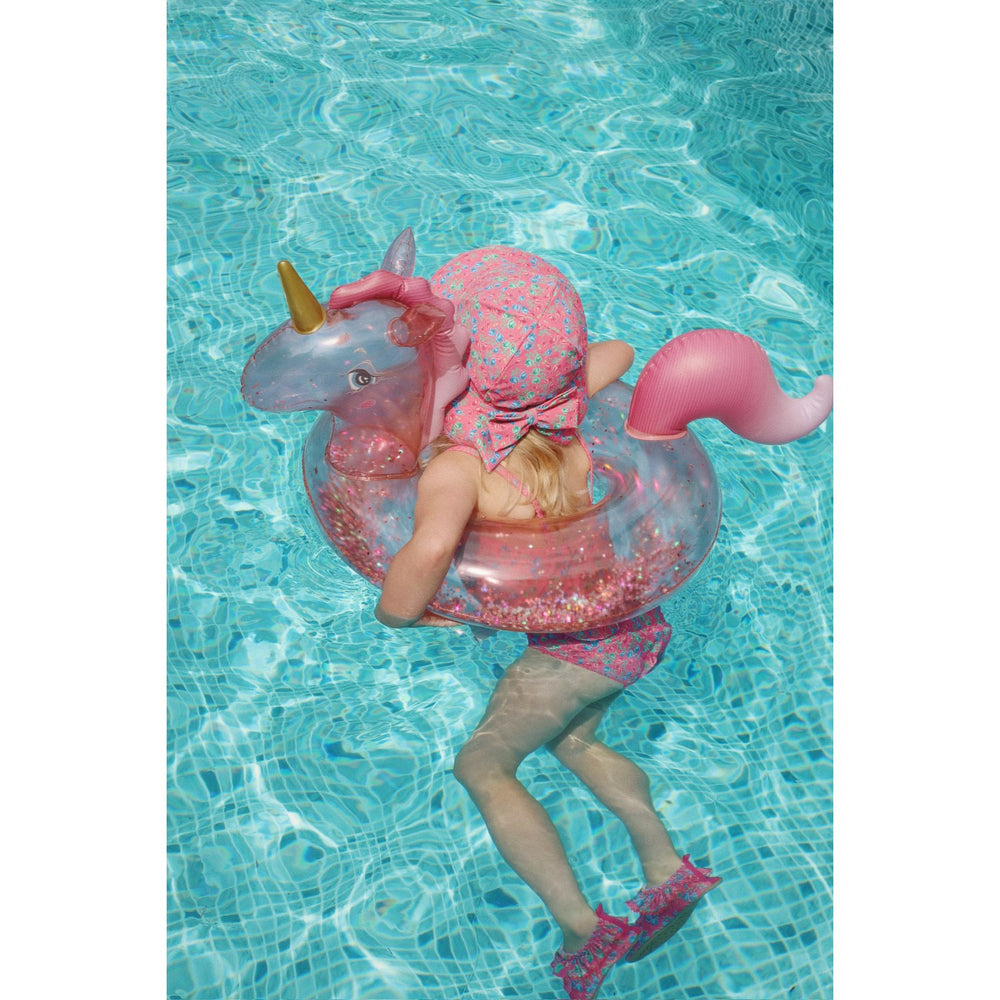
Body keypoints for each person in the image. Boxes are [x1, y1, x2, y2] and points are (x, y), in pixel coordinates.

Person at [370, 247, 722, 1000]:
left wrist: (397, 615)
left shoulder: (461, 466)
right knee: (573, 740)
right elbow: (618, 351)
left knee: (482, 765)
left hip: (573, 644)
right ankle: (666, 868)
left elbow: (426, 551)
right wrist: (556, 374)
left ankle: (582, 927)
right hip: (632, 620)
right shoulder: (567, 412)